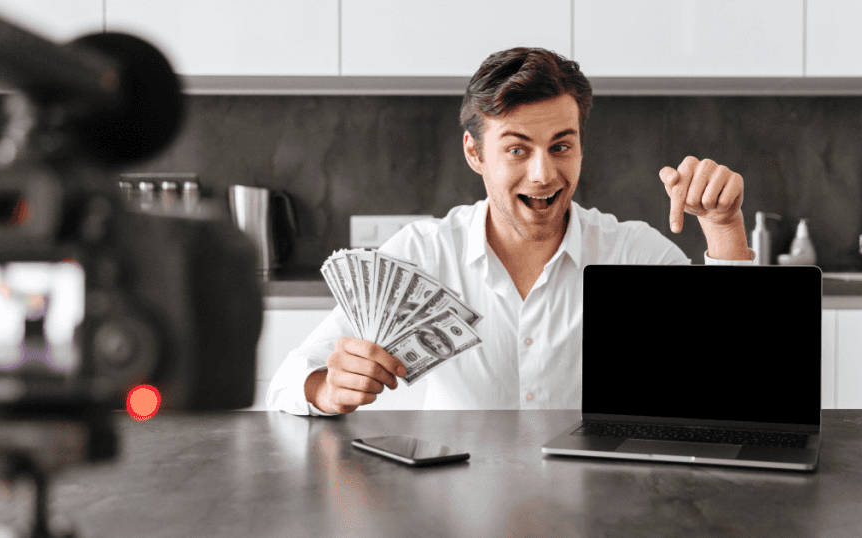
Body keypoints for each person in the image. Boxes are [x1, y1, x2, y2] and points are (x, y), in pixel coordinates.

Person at [267, 47, 755, 416]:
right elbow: (286, 383)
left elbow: (736, 384)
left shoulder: (632, 253)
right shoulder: (421, 254)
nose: (543, 174)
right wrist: (327, 388)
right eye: (517, 149)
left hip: (602, 504)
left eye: (561, 146)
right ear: (475, 153)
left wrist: (724, 229)